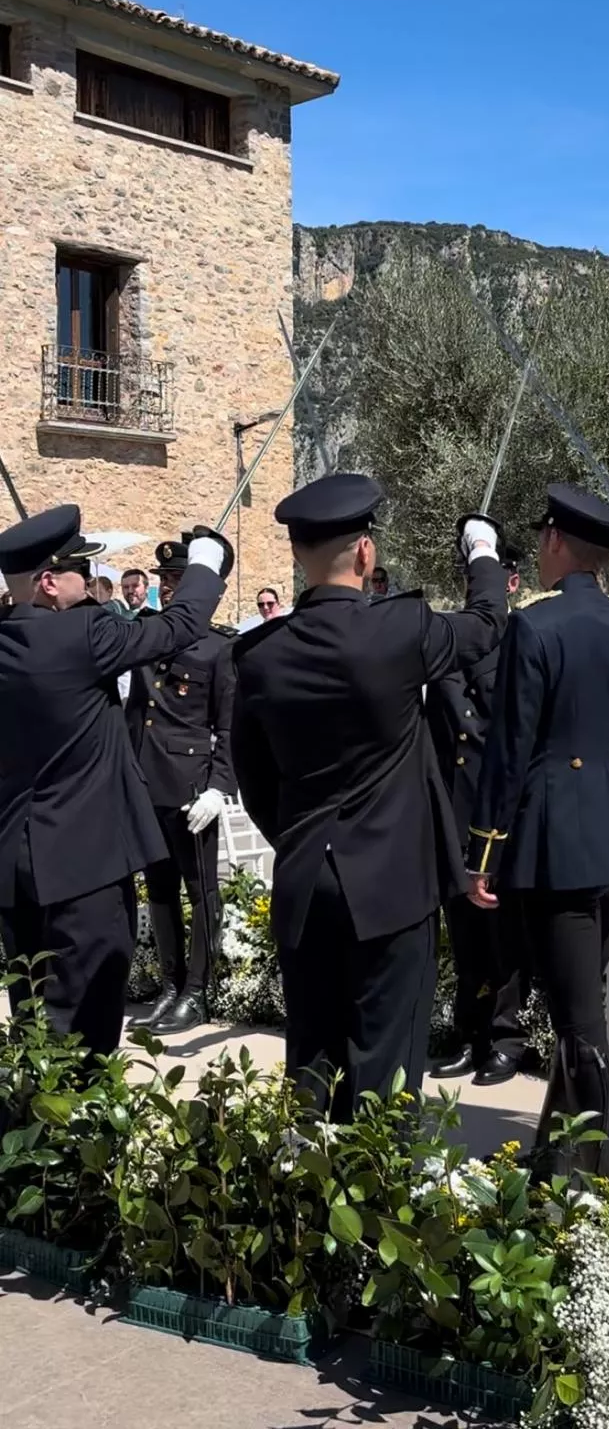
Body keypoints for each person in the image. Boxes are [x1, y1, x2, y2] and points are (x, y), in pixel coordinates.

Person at [230, 473, 508, 1116]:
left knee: (311, 1060)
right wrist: (482, 552)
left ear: (299, 556)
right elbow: (487, 623)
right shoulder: (401, 629)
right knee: (385, 1067)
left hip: (305, 878)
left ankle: (306, 1204)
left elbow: (255, 776)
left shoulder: (259, 655)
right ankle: (379, 1209)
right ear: (365, 553)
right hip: (391, 883)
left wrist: (298, 836)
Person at [467, 484, 609, 1180]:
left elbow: (508, 749)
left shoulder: (536, 625)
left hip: (553, 846)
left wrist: (483, 851)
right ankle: (561, 1149)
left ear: (555, 542)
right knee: (579, 1002)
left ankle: (590, 1171)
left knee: (578, 1020)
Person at [0, 506, 231, 1055]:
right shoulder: (84, 633)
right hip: (86, 865)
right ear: (51, 582)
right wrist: (204, 563)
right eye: (82, 570)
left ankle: (32, 1127)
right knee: (88, 1019)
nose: (94, 583)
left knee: (33, 1011)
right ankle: (78, 1133)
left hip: (17, 864)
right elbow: (178, 626)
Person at [426, 541, 530, 1086]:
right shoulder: (447, 640)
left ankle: (506, 1037)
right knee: (464, 931)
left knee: (501, 931)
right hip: (452, 802)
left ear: (510, 583)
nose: (476, 586)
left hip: (499, 808)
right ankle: (469, 1031)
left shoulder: (523, 639)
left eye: (487, 576)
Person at [125, 538, 237, 1035]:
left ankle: (198, 991)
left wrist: (218, 788)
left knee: (201, 891)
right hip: (146, 782)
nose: (170, 589)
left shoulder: (219, 648)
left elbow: (231, 728)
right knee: (160, 890)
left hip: (192, 790)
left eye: (179, 581)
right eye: (166, 581)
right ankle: (170, 985)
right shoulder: (146, 634)